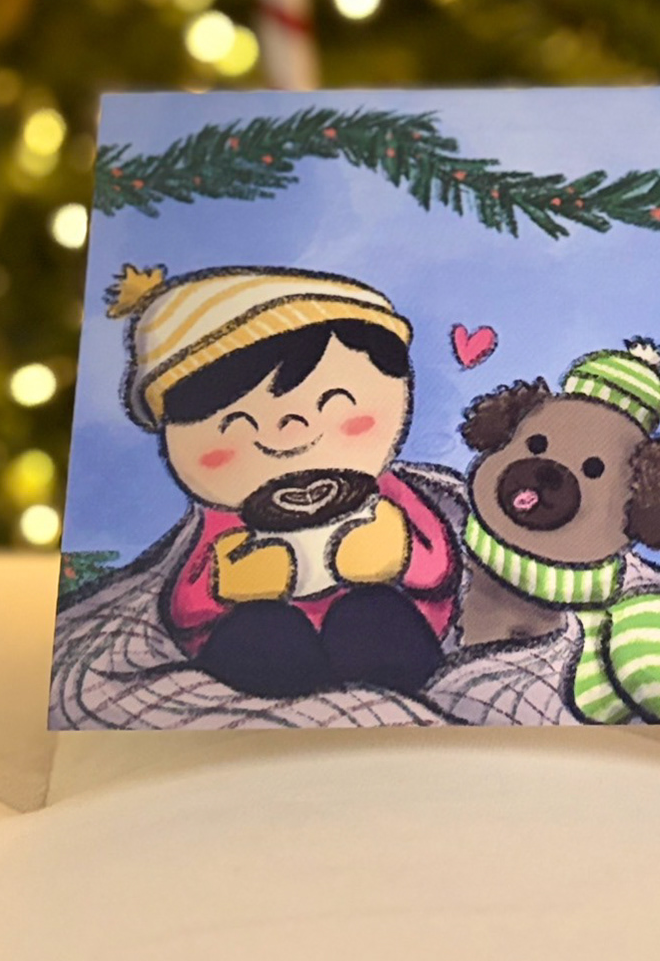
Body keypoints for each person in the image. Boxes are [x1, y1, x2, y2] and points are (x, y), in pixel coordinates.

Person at [105, 263, 457, 699]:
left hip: (378, 618)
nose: (291, 429)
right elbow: (187, 609)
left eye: (333, 401)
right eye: (238, 423)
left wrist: (396, 549)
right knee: (258, 629)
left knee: (371, 612)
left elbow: (437, 567)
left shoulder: (384, 493)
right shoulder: (226, 524)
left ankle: (388, 679)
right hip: (272, 635)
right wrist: (230, 584)